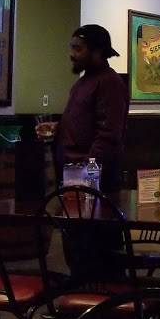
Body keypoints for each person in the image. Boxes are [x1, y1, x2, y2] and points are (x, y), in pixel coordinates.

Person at [38, 24, 128, 194]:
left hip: (91, 181)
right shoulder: (82, 83)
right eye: (71, 48)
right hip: (74, 175)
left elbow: (108, 136)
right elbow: (84, 124)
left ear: (97, 52)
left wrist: (88, 173)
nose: (72, 54)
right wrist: (57, 128)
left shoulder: (110, 82)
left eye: (78, 49)